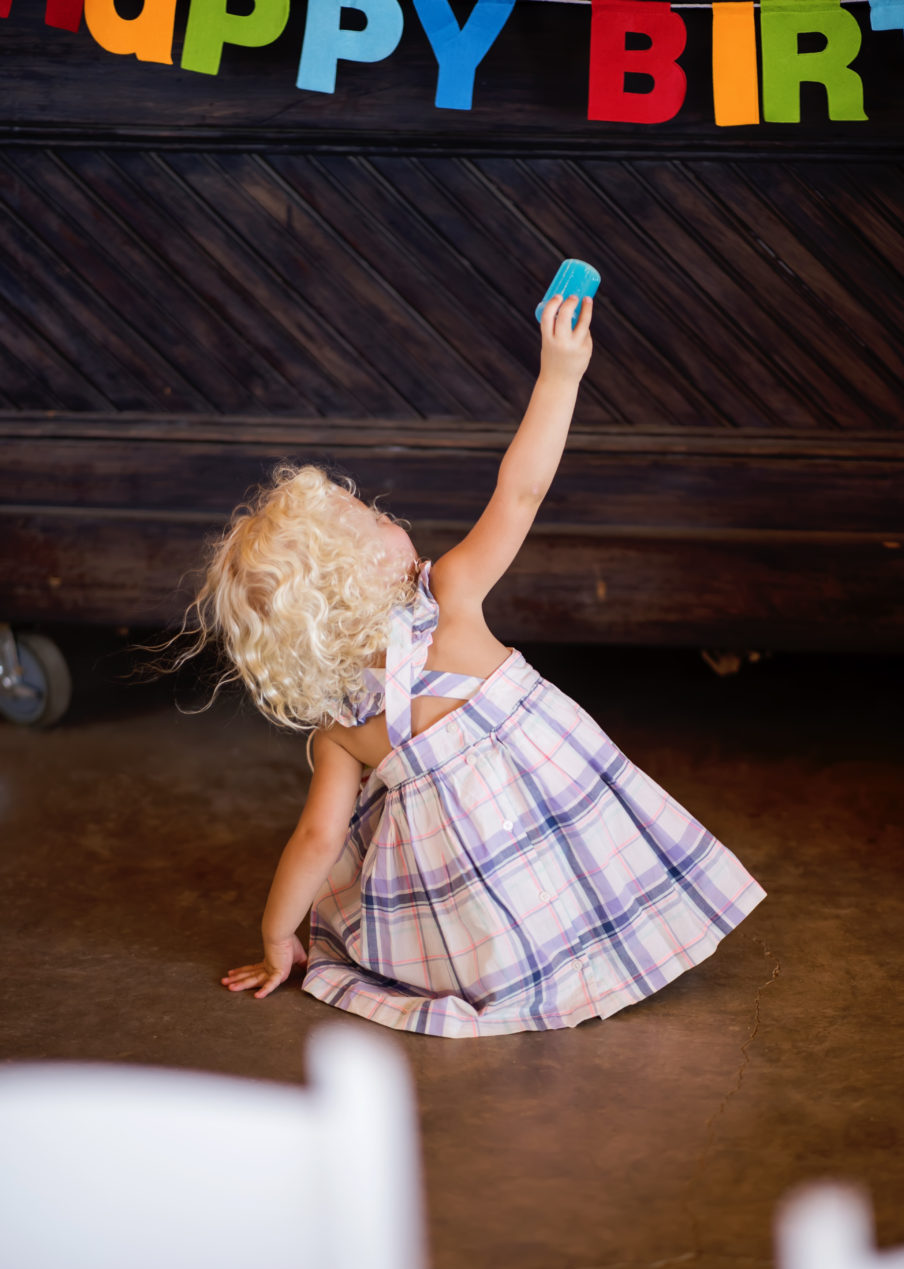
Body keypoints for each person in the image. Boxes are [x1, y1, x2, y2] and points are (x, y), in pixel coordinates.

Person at [159, 292, 765, 1037]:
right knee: (570, 861)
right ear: (355, 577)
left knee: (496, 891)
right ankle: (598, 953)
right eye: (373, 520)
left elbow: (316, 843)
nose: (391, 518)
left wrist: (279, 937)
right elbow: (520, 489)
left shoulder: (340, 729)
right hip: (554, 809)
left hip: (475, 902)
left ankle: (519, 971)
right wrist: (560, 375)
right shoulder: (450, 595)